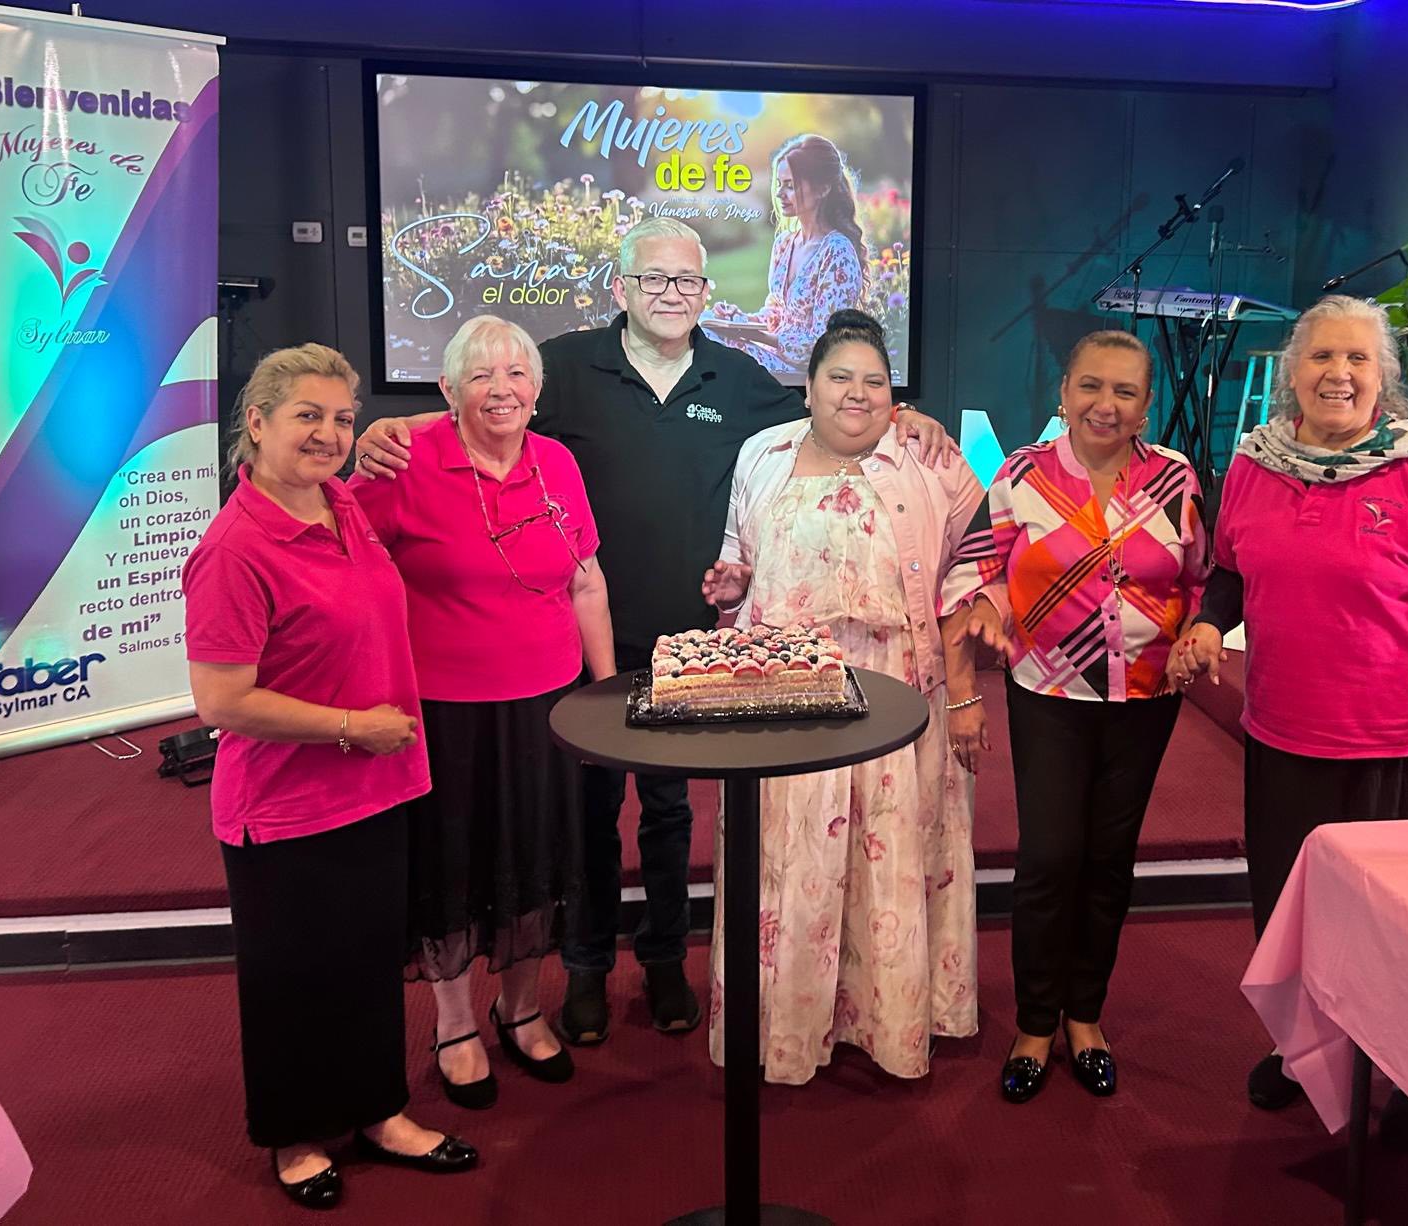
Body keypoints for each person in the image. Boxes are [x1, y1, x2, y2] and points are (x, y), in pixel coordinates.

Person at [353, 217, 955, 1049]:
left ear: (706, 292)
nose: (671, 294)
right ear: (621, 288)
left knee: (671, 817)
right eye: (653, 279)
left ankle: (666, 960)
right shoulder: (566, 365)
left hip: (691, 650)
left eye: (686, 280)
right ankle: (587, 968)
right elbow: (485, 410)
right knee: (589, 815)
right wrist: (393, 429)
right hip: (584, 647)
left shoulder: (737, 377)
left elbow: (831, 414)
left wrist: (907, 414)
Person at [1168, 295, 1408, 1131]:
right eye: (1322, 356)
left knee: (1401, 934)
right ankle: (1304, 1050)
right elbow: (1234, 569)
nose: (1339, 374)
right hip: (1284, 737)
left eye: (1358, 359)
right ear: (1293, 372)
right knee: (1293, 914)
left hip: (1402, 746)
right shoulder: (1257, 463)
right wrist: (1210, 620)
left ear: (1382, 376)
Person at [182, 344, 476, 1210]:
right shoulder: (235, 547)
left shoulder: (339, 501)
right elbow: (221, 701)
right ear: (256, 422)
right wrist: (351, 728)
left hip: (375, 788)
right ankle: (296, 1135)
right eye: (307, 415)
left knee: (366, 966)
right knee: (293, 981)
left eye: (343, 419)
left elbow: (440, 419)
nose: (329, 434)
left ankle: (380, 1111)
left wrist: (405, 419)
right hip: (285, 804)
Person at [698, 309, 993, 1084]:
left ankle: (887, 1024)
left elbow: (976, 562)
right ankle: (789, 1023)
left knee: (889, 856)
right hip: (788, 696)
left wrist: (965, 681)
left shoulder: (931, 459)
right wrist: (730, 587)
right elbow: (738, 560)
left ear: (894, 394)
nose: (856, 393)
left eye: (874, 381)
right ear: (808, 386)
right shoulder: (760, 454)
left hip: (898, 696)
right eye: (839, 378)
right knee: (789, 859)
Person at [350, 316, 614, 1110]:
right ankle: (456, 1023)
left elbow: (587, 581)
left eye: (516, 373)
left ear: (538, 388)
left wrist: (605, 692)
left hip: (549, 703)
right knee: (453, 868)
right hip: (444, 711)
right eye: (480, 375)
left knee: (537, 861)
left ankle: (521, 1007)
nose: (502, 389)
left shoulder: (558, 462)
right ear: (447, 390)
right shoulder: (404, 461)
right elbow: (342, 568)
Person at [960, 330, 1209, 1104]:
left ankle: (1086, 1017)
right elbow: (981, 567)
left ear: (1146, 406)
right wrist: (987, 608)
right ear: (1063, 393)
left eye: (1125, 391)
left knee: (1109, 859)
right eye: (1091, 386)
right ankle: (1036, 1023)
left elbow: (1202, 577)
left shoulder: (1175, 477)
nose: (1106, 404)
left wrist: (1200, 629)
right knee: (1049, 858)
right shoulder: (1022, 474)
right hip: (1050, 692)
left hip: (1147, 696)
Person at [708, 134, 868, 375]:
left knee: (712, 346)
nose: (780, 194)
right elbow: (776, 314)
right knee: (706, 327)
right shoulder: (785, 243)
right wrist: (739, 320)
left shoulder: (838, 253)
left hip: (805, 371)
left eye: (791, 186)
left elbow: (824, 343)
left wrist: (753, 336)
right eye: (779, 184)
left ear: (823, 188)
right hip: (775, 357)